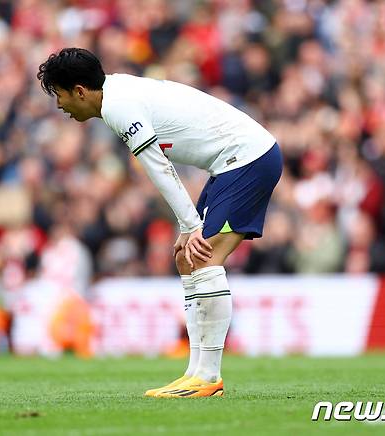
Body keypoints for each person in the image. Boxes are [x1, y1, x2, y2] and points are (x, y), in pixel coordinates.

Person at [37, 48, 283, 398]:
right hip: (232, 162)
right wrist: (189, 225)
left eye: (59, 96)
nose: (60, 106)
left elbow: (159, 168)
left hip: (248, 159)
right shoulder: (117, 92)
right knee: (186, 259)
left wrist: (189, 224)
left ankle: (209, 377)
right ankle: (195, 371)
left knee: (203, 258)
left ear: (79, 91)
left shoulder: (119, 106)